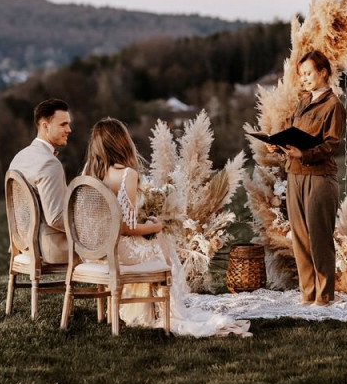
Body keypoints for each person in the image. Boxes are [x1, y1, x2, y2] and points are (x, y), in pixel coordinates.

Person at [81, 117, 250, 337]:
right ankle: (166, 309)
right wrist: (154, 227)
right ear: (122, 142)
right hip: (118, 252)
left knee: (157, 243)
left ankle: (149, 309)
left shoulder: (88, 173)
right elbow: (126, 228)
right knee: (163, 243)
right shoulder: (127, 175)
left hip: (95, 251)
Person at [268, 51, 346, 306]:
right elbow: (294, 136)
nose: (304, 78)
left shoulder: (333, 106)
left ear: (323, 72)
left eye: (308, 73)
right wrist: (277, 145)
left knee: (319, 239)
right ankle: (308, 295)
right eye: (301, 74)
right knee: (300, 239)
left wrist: (305, 154)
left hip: (319, 177)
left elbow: (332, 145)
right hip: (294, 175)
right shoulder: (302, 102)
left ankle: (324, 297)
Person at [8, 98, 73, 265]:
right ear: (45, 126)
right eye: (63, 124)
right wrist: (89, 225)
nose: (69, 129)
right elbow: (56, 218)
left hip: (24, 246)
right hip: (52, 248)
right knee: (111, 243)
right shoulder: (49, 163)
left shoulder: (19, 157)